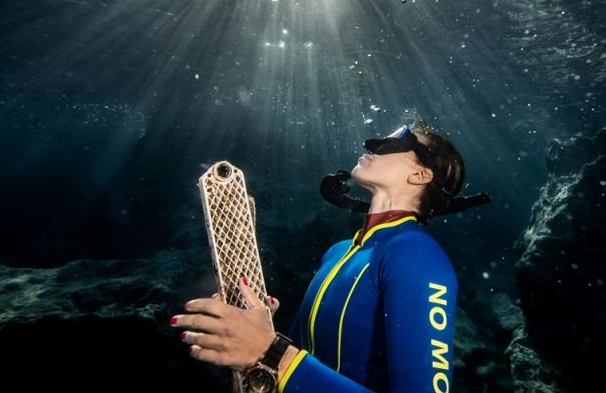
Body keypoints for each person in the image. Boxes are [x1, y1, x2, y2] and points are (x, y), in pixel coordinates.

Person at [170, 124, 475, 392]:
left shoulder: (418, 255)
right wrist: (251, 331)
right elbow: (292, 366)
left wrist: (270, 350)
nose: (375, 144)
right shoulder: (340, 251)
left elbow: (281, 360)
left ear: (420, 175)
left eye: (400, 139)